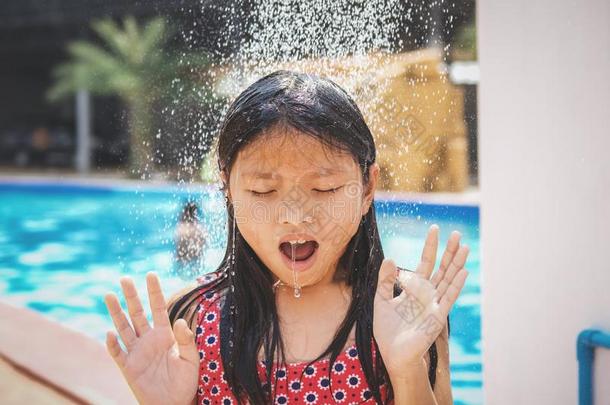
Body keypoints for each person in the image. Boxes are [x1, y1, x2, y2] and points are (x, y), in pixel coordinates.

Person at [103, 70, 469, 405]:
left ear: (368, 187)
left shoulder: (404, 307)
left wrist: (407, 372)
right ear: (227, 188)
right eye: (263, 191)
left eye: (324, 188)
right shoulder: (192, 321)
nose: (295, 215)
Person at [175, 201, 207, 265]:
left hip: (182, 259)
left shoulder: (181, 228)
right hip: (196, 258)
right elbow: (204, 243)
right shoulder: (199, 229)